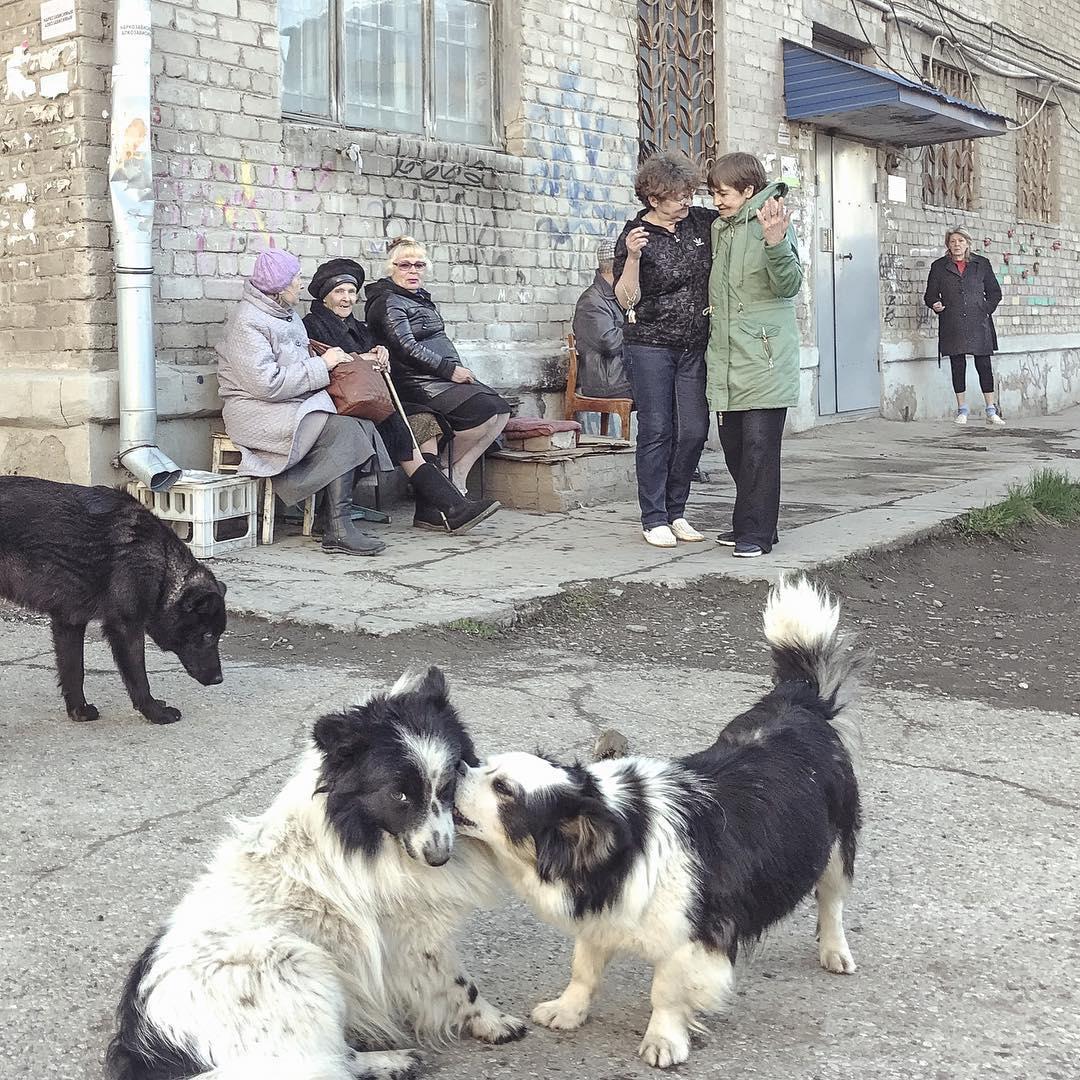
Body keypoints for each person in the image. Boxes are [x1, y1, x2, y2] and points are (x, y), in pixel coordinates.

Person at [303, 257, 500, 534]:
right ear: (325, 297)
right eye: (339, 292)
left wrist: (381, 353)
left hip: (371, 401)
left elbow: (375, 362)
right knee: (397, 427)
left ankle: (429, 510)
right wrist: (361, 357)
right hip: (341, 405)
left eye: (350, 292)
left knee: (424, 418)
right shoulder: (312, 325)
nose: (346, 299)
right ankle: (452, 505)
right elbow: (325, 363)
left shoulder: (360, 327)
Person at [612, 150, 715, 548]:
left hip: (693, 345)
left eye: (689, 193)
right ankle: (653, 516)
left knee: (692, 430)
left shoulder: (698, 223)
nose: (687, 201)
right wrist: (634, 257)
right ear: (654, 199)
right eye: (678, 196)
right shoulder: (635, 235)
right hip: (650, 345)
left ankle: (677, 512)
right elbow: (626, 299)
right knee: (657, 429)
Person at [705, 152, 802, 559]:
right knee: (734, 448)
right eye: (712, 193)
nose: (716, 201)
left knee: (760, 449)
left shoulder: (773, 222)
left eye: (723, 193)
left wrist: (776, 243)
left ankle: (756, 533)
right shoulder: (720, 229)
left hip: (765, 356)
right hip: (728, 356)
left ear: (748, 190)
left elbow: (790, 285)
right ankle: (753, 522)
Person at [365, 237, 511, 495]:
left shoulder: (416, 298)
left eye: (419, 265)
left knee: (502, 411)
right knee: (484, 411)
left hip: (436, 377)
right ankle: (441, 472)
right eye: (405, 265)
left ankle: (456, 472)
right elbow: (405, 347)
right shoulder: (389, 301)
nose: (413, 271)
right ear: (392, 268)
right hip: (416, 383)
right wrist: (449, 370)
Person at [923, 227, 1005, 427]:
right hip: (953, 321)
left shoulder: (981, 264)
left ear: (968, 243)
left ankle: (991, 410)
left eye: (960, 241)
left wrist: (984, 308)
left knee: (984, 366)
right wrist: (935, 304)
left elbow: (995, 292)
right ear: (947, 245)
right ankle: (962, 410)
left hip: (979, 322)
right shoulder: (939, 266)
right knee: (958, 365)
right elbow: (930, 295)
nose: (956, 245)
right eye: (952, 242)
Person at [572, 238, 632, 429]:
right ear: (617, 268)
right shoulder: (591, 301)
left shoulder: (618, 295)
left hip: (623, 376)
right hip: (608, 382)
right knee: (660, 391)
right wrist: (638, 328)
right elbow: (610, 343)